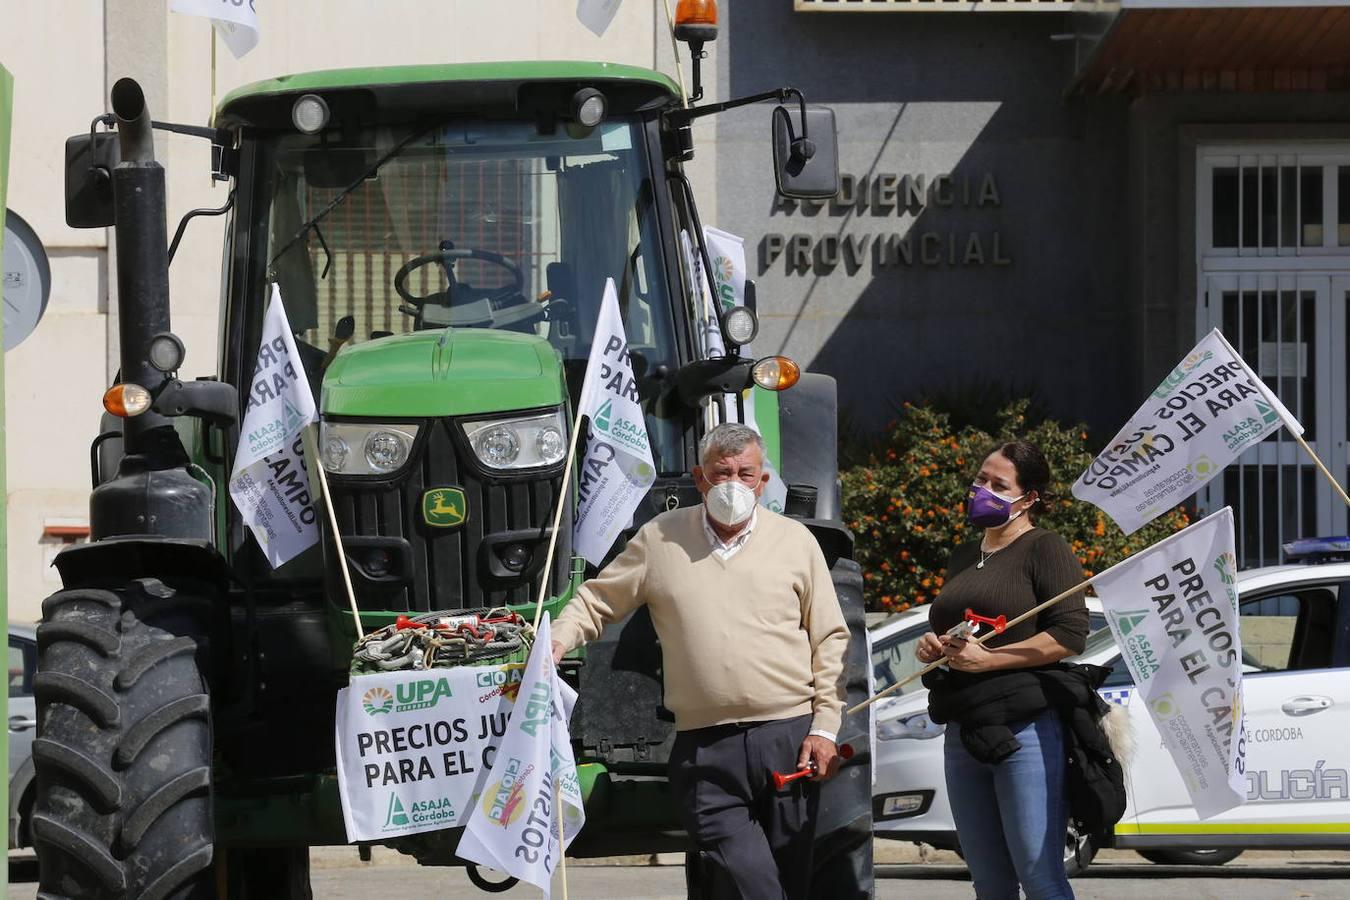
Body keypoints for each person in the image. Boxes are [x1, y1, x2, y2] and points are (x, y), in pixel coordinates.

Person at [551, 422, 850, 900]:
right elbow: (596, 601)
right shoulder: (659, 539)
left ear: (763, 481)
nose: (733, 485)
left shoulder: (795, 541)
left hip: (788, 739)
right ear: (698, 477)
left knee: (789, 882)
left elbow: (831, 636)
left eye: (745, 474)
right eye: (720, 473)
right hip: (705, 751)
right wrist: (556, 641)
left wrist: (825, 728)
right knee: (757, 885)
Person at [915, 441, 1091, 900]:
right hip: (964, 725)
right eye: (980, 480)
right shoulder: (963, 554)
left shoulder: (1044, 547)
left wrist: (989, 660)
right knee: (989, 883)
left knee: (1040, 877)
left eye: (999, 485)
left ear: (1029, 498)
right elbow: (959, 631)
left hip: (1024, 729)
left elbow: (1070, 634)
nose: (983, 491)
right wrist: (935, 648)